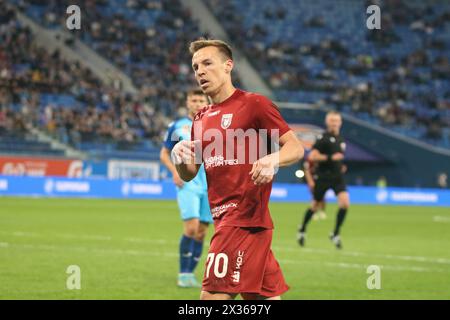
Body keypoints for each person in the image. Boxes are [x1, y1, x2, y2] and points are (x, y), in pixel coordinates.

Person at [171, 38, 304, 300]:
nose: (200, 71)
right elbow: (190, 172)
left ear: (228, 66)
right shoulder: (200, 119)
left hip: (242, 220)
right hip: (231, 221)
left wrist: (271, 159)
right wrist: (178, 158)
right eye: (196, 66)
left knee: (210, 300)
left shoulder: (255, 105)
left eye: (207, 63)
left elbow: (296, 148)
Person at [160, 89, 213, 288]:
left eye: (201, 100)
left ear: (206, 101)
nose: (197, 103)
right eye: (194, 100)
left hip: (210, 185)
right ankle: (183, 272)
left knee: (201, 232)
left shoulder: (212, 124)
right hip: (188, 183)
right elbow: (164, 153)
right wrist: (175, 171)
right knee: (191, 228)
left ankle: (190, 273)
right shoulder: (178, 126)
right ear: (188, 102)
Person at [297, 111, 350, 249]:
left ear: (340, 122)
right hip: (323, 177)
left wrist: (340, 165)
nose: (334, 123)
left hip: (337, 177)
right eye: (332, 120)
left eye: (336, 120)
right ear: (328, 122)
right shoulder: (323, 138)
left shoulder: (341, 139)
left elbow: (338, 157)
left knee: (345, 203)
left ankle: (336, 233)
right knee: (314, 206)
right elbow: (312, 156)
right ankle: (302, 229)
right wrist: (331, 158)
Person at [303, 154, 327, 220]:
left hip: (321, 180)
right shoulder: (309, 160)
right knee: (314, 197)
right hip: (313, 180)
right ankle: (314, 212)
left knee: (323, 197)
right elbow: (307, 171)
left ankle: (322, 211)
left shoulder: (322, 158)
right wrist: (310, 181)